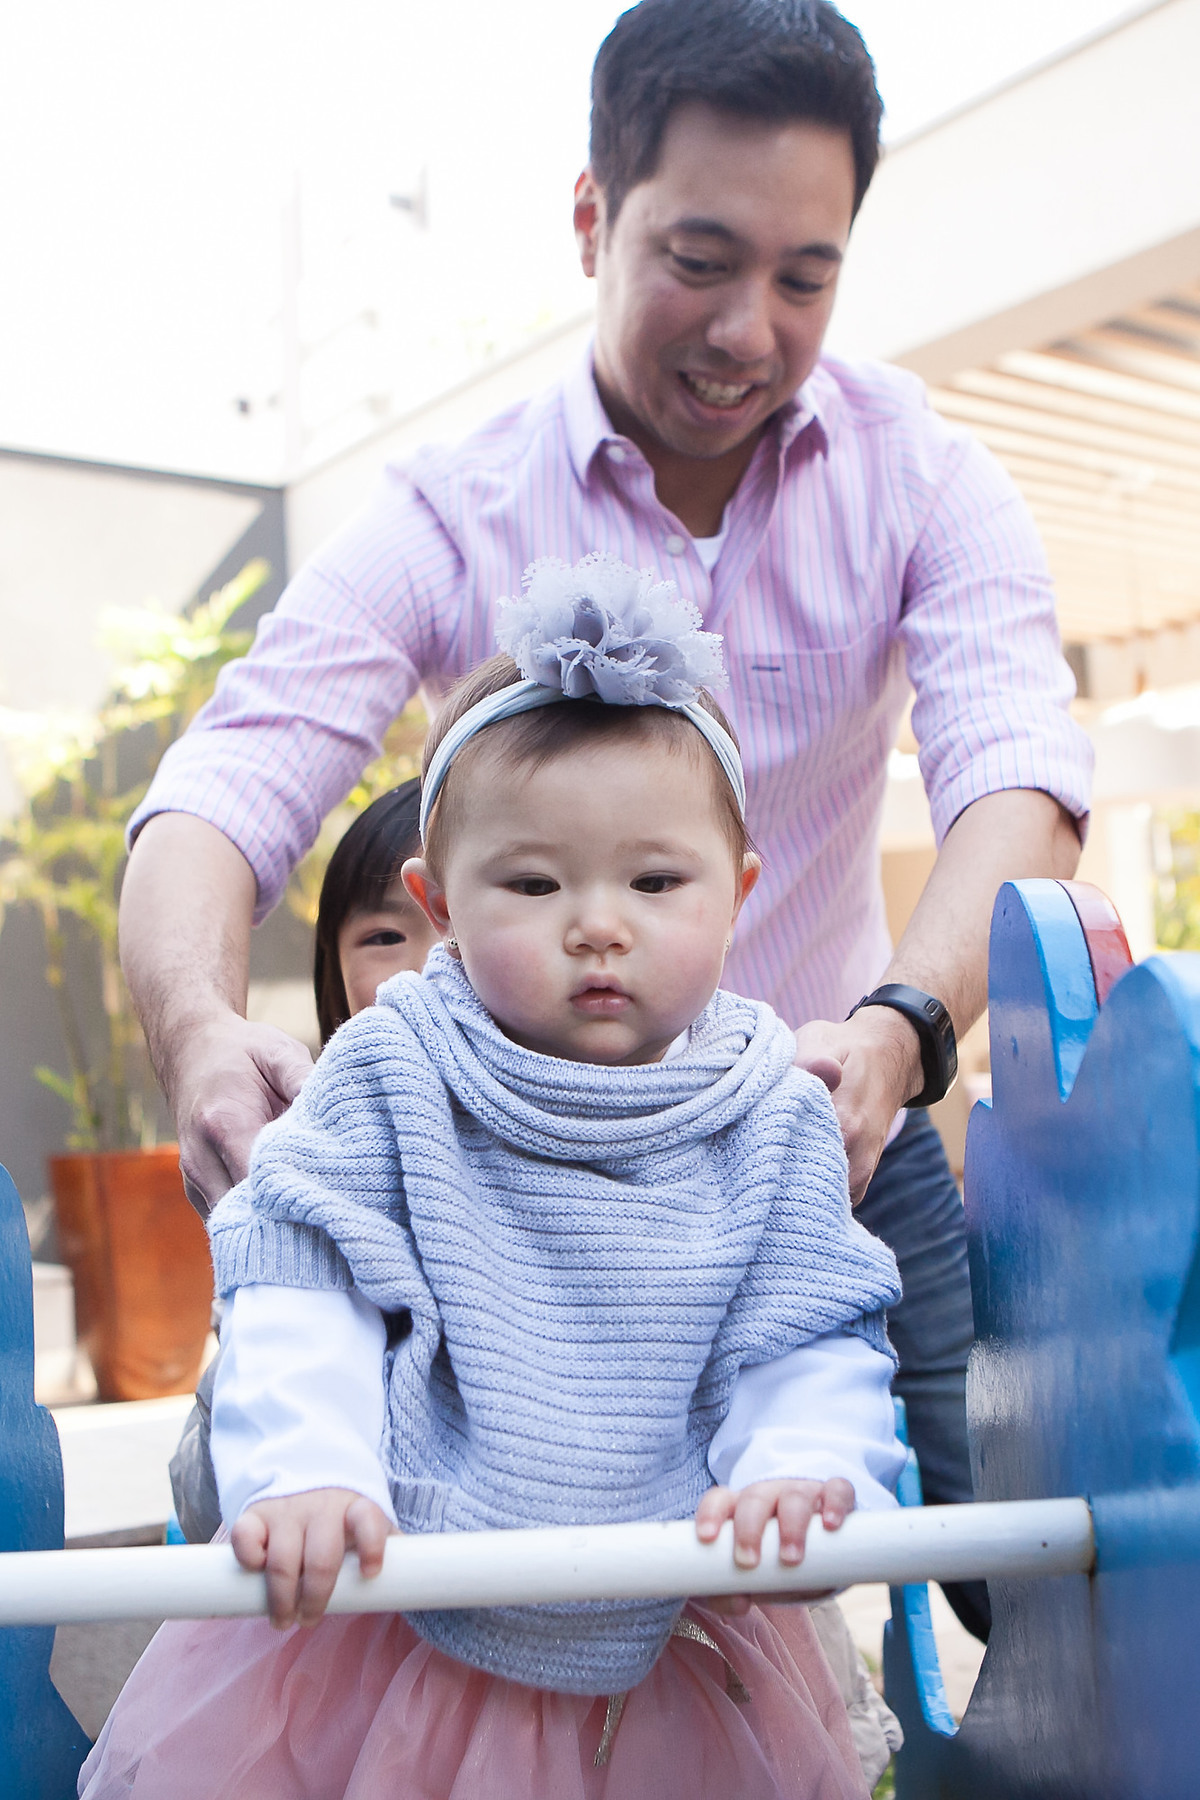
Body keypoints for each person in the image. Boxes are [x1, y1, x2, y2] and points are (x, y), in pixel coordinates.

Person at [118, 0, 1092, 1641]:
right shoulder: (455, 507)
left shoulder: (923, 477)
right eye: (698, 259)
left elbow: (1019, 778)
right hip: (495, 1166)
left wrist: (898, 1031)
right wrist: (200, 1033)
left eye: (807, 273)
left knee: (996, 1561)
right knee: (349, 1543)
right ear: (592, 218)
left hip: (825, 1108)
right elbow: (225, 788)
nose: (749, 330)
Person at [83, 569, 904, 1800]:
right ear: (439, 905)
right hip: (395, 1605)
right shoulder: (394, 1067)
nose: (597, 925)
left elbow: (805, 1325)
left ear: (739, 893)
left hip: (670, 1634)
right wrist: (309, 1468)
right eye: (533, 884)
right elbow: (301, 1274)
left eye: (655, 882)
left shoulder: (772, 1107)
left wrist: (798, 1468)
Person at [168, 778, 436, 1544]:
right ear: (333, 969)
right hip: (341, 1576)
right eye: (385, 937)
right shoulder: (309, 1150)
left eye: (463, 923)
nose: (427, 966)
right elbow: (202, 1500)